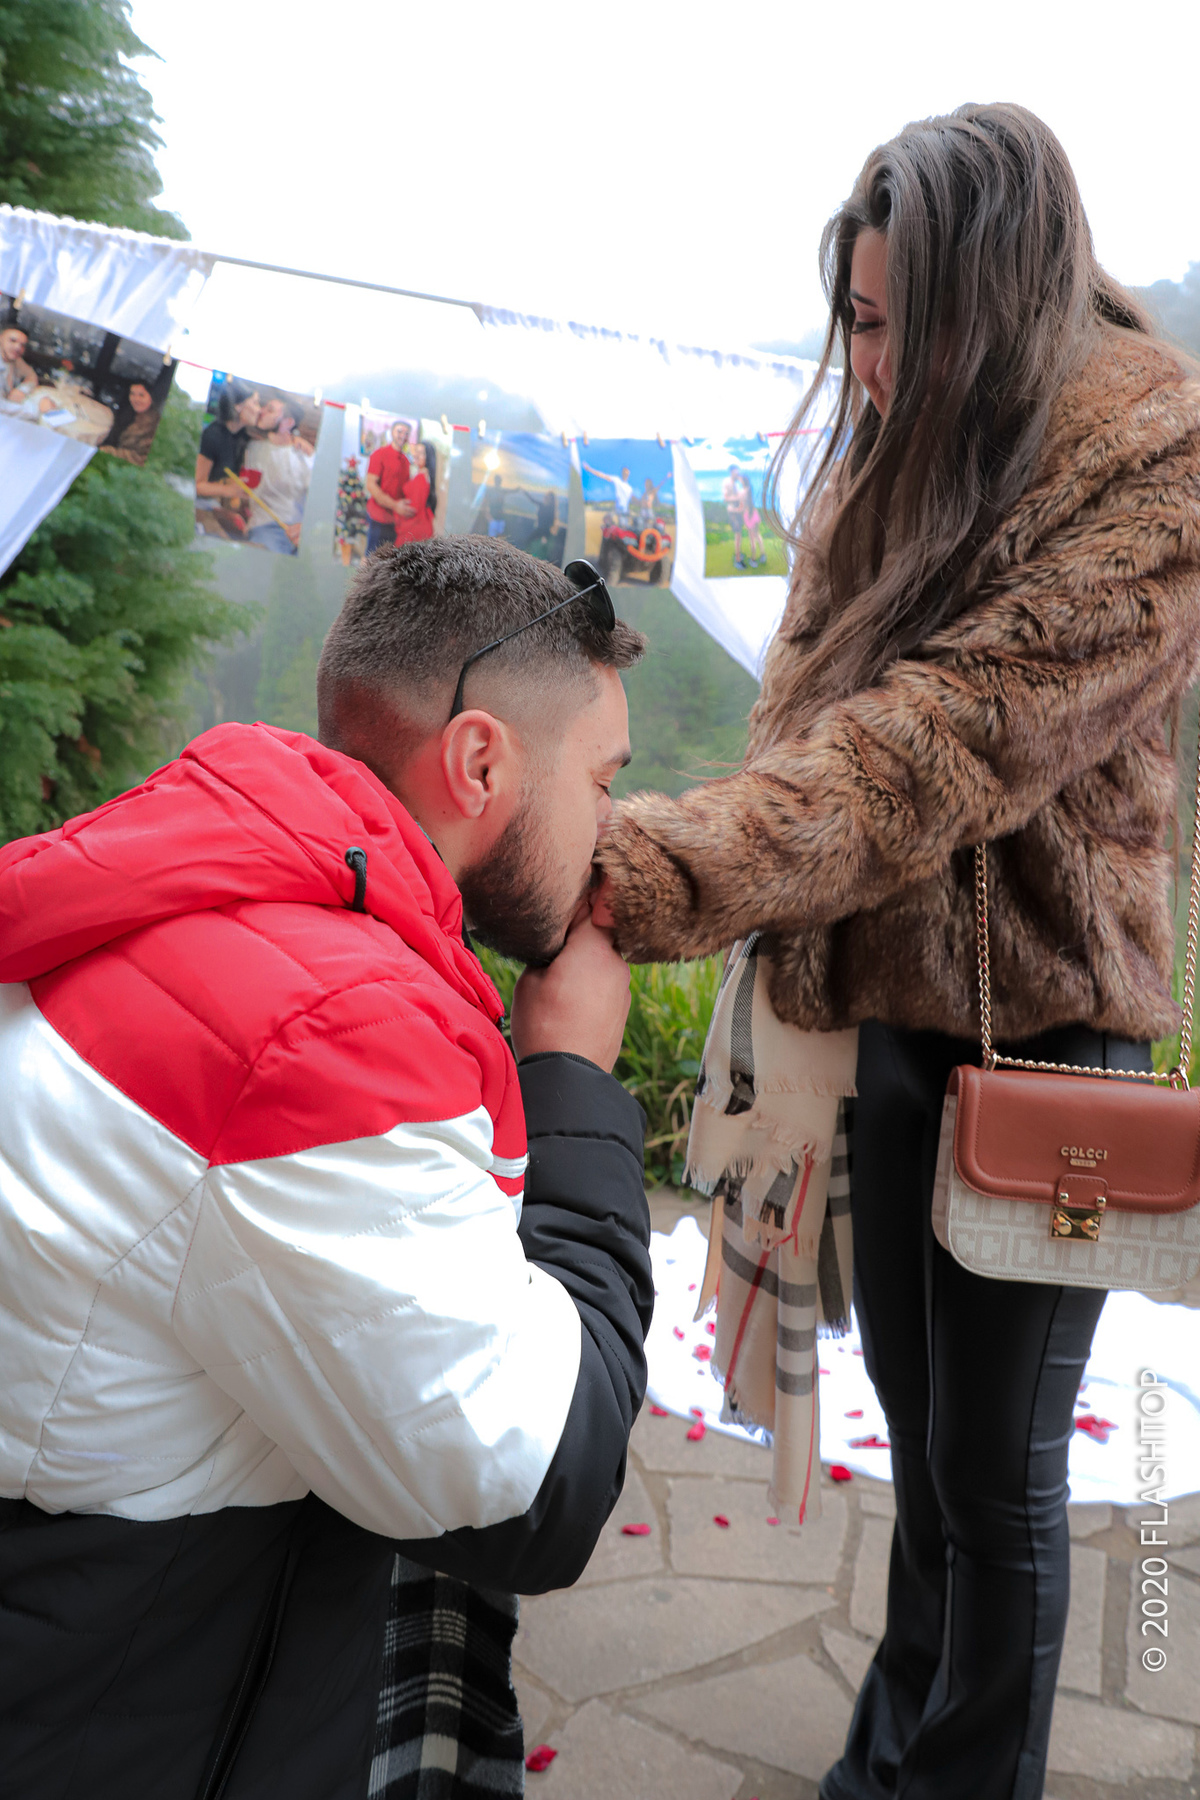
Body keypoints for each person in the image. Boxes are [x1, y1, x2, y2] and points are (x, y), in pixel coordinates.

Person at [594, 102, 1200, 1800]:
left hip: (1051, 1044)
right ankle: (892, 1758)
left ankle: (955, 1778)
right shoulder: (891, 443)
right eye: (850, 322)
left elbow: (947, 739)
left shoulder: (1154, 449)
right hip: (893, 1023)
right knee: (933, 1465)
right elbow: (807, 717)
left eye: (892, 325)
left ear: (994, 299)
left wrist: (655, 868)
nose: (862, 363)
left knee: (997, 1472)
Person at [0, 537, 652, 1798]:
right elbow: (537, 1484)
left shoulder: (215, 877)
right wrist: (572, 1077)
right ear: (479, 763)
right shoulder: (323, 1032)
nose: (612, 826)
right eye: (605, 780)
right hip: (107, 1713)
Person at [242, 392, 313, 554]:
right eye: (264, 407)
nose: (261, 411)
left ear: (288, 422)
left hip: (298, 532)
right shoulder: (252, 448)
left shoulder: (305, 455)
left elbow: (318, 500)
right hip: (263, 527)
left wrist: (306, 528)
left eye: (270, 410)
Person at [195, 381, 262, 536]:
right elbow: (197, 485)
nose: (259, 410)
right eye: (255, 403)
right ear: (238, 406)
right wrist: (231, 490)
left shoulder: (240, 436)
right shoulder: (213, 435)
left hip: (214, 506)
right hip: (198, 506)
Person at [365, 419, 416, 554]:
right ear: (392, 432)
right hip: (379, 516)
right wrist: (395, 505)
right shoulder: (379, 454)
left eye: (406, 433)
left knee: (389, 559)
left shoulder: (406, 461)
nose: (403, 436)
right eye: (399, 431)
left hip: (396, 520)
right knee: (372, 557)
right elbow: (371, 484)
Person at [101, 379, 162, 465]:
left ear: (151, 398)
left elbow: (140, 458)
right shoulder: (128, 412)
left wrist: (108, 451)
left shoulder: (153, 424)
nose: (135, 399)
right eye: (132, 394)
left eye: (141, 395)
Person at [393, 440, 436, 543]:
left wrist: (397, 513)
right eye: (416, 451)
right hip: (417, 526)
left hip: (414, 529)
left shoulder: (421, 478)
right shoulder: (422, 474)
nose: (416, 455)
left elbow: (414, 509)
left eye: (421, 453)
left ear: (428, 457)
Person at [0, 324, 37, 402]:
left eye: (22, 345)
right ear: (1, 338)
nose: (18, 348)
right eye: (13, 341)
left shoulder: (14, 359)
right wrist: (38, 408)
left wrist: (22, 390)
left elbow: (31, 375)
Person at [737, 472, 767, 566]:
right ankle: (763, 555)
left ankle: (753, 559)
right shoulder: (749, 490)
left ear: (743, 481)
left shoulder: (741, 492)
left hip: (747, 515)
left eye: (740, 479)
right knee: (757, 535)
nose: (739, 480)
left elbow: (741, 506)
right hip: (754, 513)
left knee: (752, 539)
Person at [722, 463, 747, 567]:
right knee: (737, 534)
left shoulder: (736, 484)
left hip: (737, 511)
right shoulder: (727, 482)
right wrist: (738, 498)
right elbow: (726, 498)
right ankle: (737, 560)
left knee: (739, 534)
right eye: (736, 472)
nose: (737, 474)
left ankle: (738, 554)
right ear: (732, 472)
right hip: (732, 511)